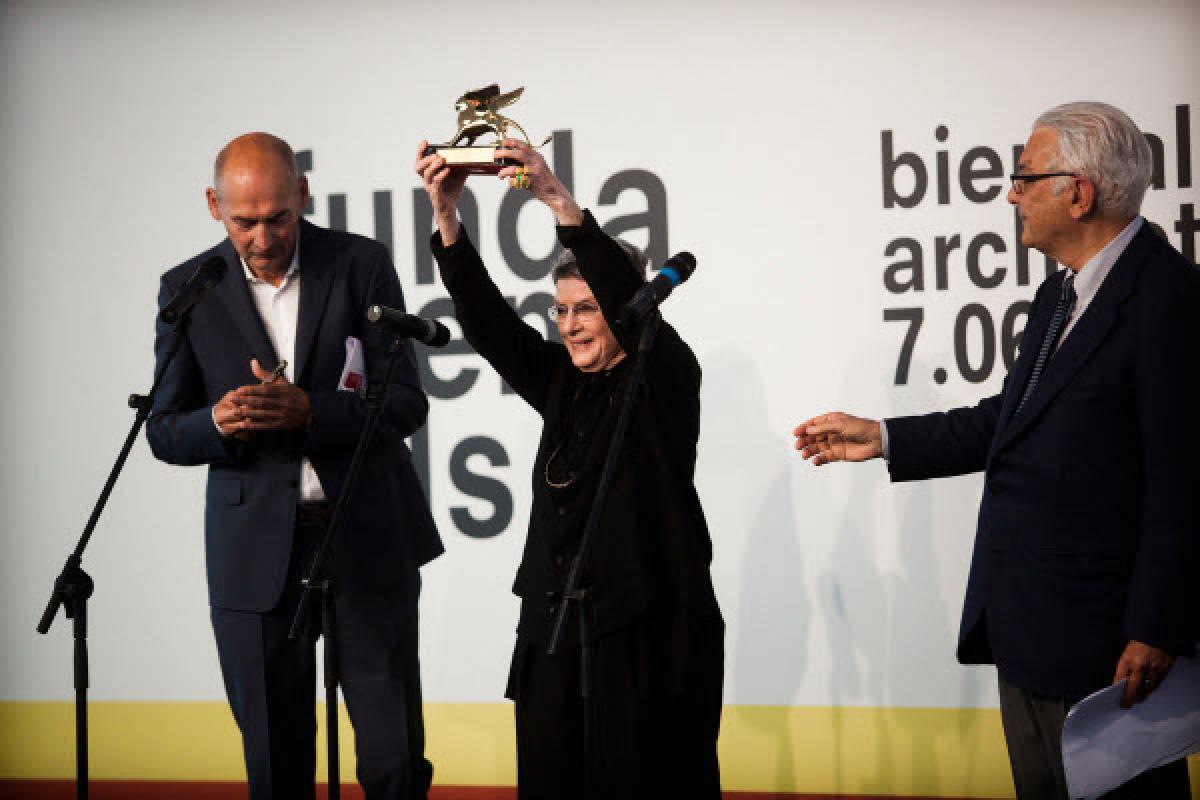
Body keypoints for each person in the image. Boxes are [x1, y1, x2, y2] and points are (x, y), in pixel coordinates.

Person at [794, 102, 1200, 800]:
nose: (1009, 192)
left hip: (1112, 653)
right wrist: (885, 436)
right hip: (1029, 630)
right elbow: (1008, 421)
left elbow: (1185, 481)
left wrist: (1157, 627)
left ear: (1079, 192)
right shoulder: (1056, 295)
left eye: (1024, 176)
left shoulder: (1170, 300)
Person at [415, 139, 724, 799]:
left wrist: (555, 198)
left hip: (642, 637)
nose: (572, 326)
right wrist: (448, 220)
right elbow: (492, 324)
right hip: (554, 630)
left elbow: (622, 296)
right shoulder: (560, 384)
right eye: (562, 311)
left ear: (623, 311)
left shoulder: (665, 377)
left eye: (587, 310)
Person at [147, 132, 442, 800]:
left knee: (393, 760)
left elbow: (403, 403)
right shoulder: (189, 290)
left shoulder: (361, 264)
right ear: (213, 205)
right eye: (243, 220)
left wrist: (307, 410)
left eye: (277, 217)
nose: (261, 236)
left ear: (303, 195)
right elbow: (164, 430)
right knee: (277, 767)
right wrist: (217, 423)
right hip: (253, 553)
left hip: (365, 532)